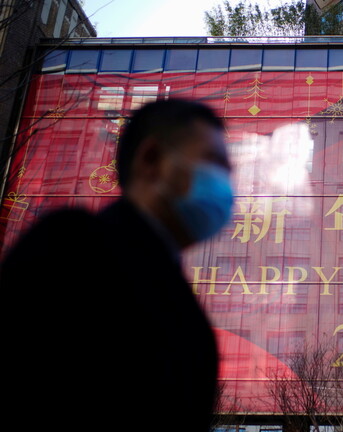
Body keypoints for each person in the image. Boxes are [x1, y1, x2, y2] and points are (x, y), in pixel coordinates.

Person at [1, 99, 233, 431]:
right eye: (213, 162)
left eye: (228, 171)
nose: (226, 186)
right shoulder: (71, 248)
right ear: (151, 159)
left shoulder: (190, 319)